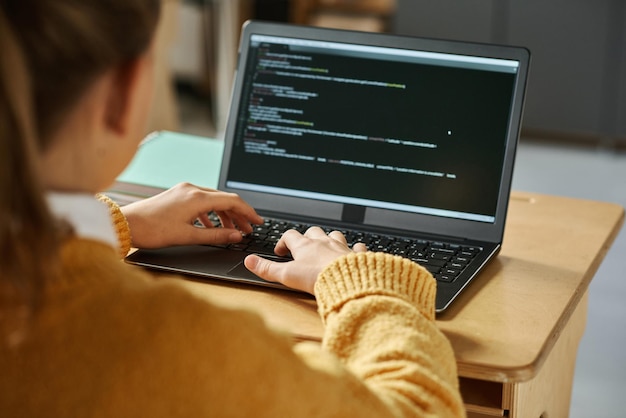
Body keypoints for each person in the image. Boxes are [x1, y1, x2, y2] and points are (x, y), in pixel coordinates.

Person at [0, 0, 465, 416]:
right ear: (122, 92)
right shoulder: (182, 348)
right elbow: (420, 408)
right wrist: (365, 288)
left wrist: (119, 222)